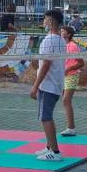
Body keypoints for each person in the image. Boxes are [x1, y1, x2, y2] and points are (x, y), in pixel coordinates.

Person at [31, 9, 66, 162]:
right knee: (47, 116)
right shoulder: (60, 40)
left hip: (48, 85)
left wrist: (35, 86)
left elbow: (46, 64)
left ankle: (55, 152)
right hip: (56, 84)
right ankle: (49, 147)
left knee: (45, 118)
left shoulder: (49, 40)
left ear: (50, 21)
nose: (43, 21)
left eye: (45, 19)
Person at [59, 25, 84, 137]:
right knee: (64, 101)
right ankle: (70, 127)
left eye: (63, 31)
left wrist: (68, 69)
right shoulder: (62, 45)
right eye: (60, 31)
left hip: (72, 75)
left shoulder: (73, 46)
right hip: (63, 76)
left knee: (66, 100)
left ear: (68, 34)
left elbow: (81, 63)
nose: (61, 33)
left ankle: (71, 128)